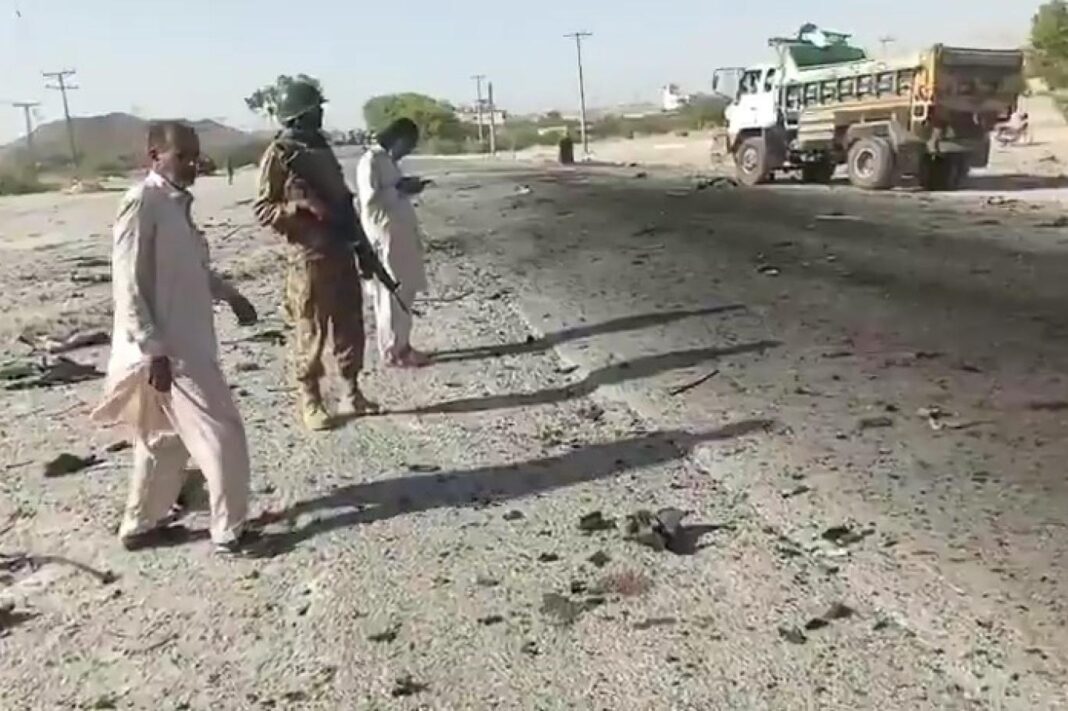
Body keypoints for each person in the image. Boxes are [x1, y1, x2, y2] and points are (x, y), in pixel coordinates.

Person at [91, 121, 260, 554]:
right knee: (223, 435)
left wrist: (231, 295)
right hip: (169, 351)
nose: (191, 164)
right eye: (181, 156)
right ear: (155, 157)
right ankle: (229, 531)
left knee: (163, 442)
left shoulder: (175, 204)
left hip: (184, 343)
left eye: (193, 155)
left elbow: (191, 272)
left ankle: (140, 526)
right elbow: (126, 284)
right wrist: (153, 349)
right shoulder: (141, 202)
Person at [253, 78, 379, 431]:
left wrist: (363, 250)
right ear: (298, 115)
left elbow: (343, 203)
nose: (322, 113)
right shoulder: (280, 154)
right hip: (308, 256)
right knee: (310, 329)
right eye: (315, 109)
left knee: (349, 324)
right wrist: (301, 208)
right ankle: (310, 399)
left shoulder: (320, 148)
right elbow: (264, 209)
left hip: (341, 248)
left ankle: (351, 390)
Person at [356, 118, 430, 367]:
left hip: (398, 236)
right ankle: (393, 351)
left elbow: (392, 190)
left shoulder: (387, 162)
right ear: (398, 139)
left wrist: (405, 187)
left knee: (404, 292)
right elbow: (370, 200)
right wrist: (400, 188)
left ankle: (402, 345)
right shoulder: (371, 160)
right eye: (408, 144)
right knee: (390, 295)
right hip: (384, 237)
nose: (408, 150)